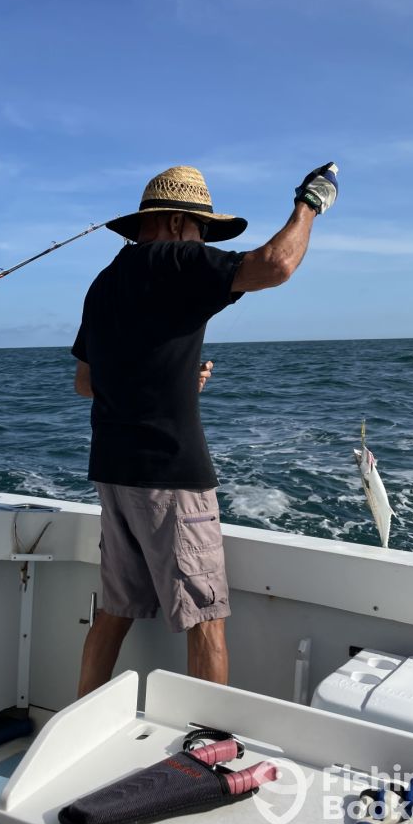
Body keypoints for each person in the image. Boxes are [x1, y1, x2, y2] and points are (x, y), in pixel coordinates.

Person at [72, 162, 338, 697]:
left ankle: (76, 716)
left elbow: (86, 383)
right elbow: (276, 264)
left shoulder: (104, 282)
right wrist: (310, 203)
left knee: (114, 612)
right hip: (171, 474)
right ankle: (209, 737)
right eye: (201, 230)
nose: (202, 243)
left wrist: (173, 381)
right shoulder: (177, 259)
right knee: (206, 617)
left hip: (114, 474)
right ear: (176, 222)